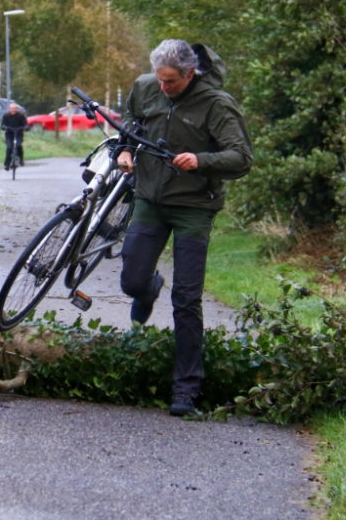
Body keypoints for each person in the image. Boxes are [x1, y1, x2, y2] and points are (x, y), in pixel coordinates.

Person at [116, 39, 253, 416]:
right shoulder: (147, 86)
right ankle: (148, 289)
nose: (164, 87)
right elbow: (130, 121)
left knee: (187, 300)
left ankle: (186, 391)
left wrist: (201, 160)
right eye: (160, 79)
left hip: (194, 207)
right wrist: (124, 150)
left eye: (172, 82)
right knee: (131, 280)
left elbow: (242, 158)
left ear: (190, 74)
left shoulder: (216, 104)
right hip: (150, 199)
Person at [0, 102, 28, 170]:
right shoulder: (6, 116)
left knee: (18, 145)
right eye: (12, 108)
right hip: (9, 134)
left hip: (18, 133)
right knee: (9, 148)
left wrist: (26, 127)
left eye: (14, 108)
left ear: (17, 109)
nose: (13, 110)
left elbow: (25, 124)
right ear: (9, 109)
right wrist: (4, 127)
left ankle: (21, 160)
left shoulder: (20, 116)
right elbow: (2, 125)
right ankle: (7, 164)